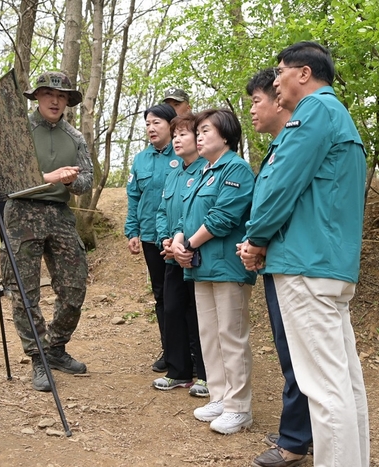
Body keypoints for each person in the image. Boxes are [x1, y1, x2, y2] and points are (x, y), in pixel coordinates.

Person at [242, 42, 370, 467]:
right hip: (331, 265)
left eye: (279, 72)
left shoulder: (313, 111)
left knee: (324, 388)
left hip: (305, 265)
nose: (275, 80)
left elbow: (280, 185)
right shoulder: (340, 116)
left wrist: (257, 238)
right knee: (345, 383)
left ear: (303, 74)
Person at [238, 69, 312, 467]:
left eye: (256, 100)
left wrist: (256, 242)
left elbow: (279, 203)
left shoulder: (295, 144)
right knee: (291, 352)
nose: (252, 109)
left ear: (278, 100)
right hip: (279, 259)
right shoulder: (280, 145)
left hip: (296, 264)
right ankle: (301, 429)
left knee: (298, 353)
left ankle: (295, 441)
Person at [3, 71, 93, 392]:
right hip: (22, 213)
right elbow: (6, 178)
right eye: (48, 94)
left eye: (62, 96)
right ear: (37, 97)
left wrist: (71, 181)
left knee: (74, 287)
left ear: (68, 101)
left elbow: (86, 181)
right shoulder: (20, 131)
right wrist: (49, 175)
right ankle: (38, 356)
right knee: (25, 292)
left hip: (59, 215)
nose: (55, 100)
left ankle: (54, 347)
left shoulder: (76, 138)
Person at [172, 109, 256, 435]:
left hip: (227, 267)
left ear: (225, 135)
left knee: (231, 336)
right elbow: (184, 216)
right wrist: (179, 241)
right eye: (199, 130)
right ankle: (220, 397)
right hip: (201, 267)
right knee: (209, 336)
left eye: (205, 130)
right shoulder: (203, 172)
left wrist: (188, 245)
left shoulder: (236, 169)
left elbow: (223, 217)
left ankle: (240, 407)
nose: (199, 135)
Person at [153, 113, 208, 397]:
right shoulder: (173, 173)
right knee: (172, 310)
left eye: (183, 134)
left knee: (198, 314)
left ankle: (206, 374)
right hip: (173, 253)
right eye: (174, 135)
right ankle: (179, 371)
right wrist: (166, 239)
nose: (176, 139)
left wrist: (185, 244)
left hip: (197, 255)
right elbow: (163, 211)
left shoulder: (206, 170)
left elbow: (199, 214)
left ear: (199, 139)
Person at [125, 103, 181, 373]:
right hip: (150, 237)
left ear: (171, 125)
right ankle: (170, 350)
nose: (151, 128)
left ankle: (192, 352)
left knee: (182, 297)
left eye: (156, 122)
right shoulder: (141, 160)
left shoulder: (184, 154)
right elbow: (134, 197)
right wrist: (132, 231)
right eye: (147, 123)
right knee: (161, 295)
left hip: (179, 239)